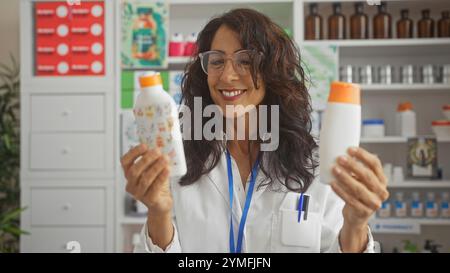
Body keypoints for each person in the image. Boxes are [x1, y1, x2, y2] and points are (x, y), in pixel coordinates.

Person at [121, 9, 389, 253]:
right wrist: (158, 213)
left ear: (273, 71)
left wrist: (354, 224)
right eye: (216, 61)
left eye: (246, 61)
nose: (227, 76)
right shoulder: (180, 160)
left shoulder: (316, 163)